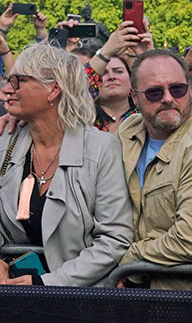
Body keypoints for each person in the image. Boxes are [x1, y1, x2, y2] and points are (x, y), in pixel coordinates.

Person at [0, 43, 133, 286]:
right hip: (10, 292)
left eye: (18, 81)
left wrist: (48, 283)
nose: (7, 89)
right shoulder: (6, 140)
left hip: (76, 296)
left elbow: (114, 239)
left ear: (53, 89)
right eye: (9, 80)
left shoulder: (101, 149)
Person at [116, 49, 192, 290]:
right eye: (154, 92)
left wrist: (130, 259)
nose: (168, 98)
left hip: (179, 298)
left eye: (178, 89)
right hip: (128, 293)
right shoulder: (128, 131)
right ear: (134, 97)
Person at [94, 56, 137, 133]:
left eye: (119, 71)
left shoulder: (144, 116)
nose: (111, 77)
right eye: (103, 73)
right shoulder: (84, 118)